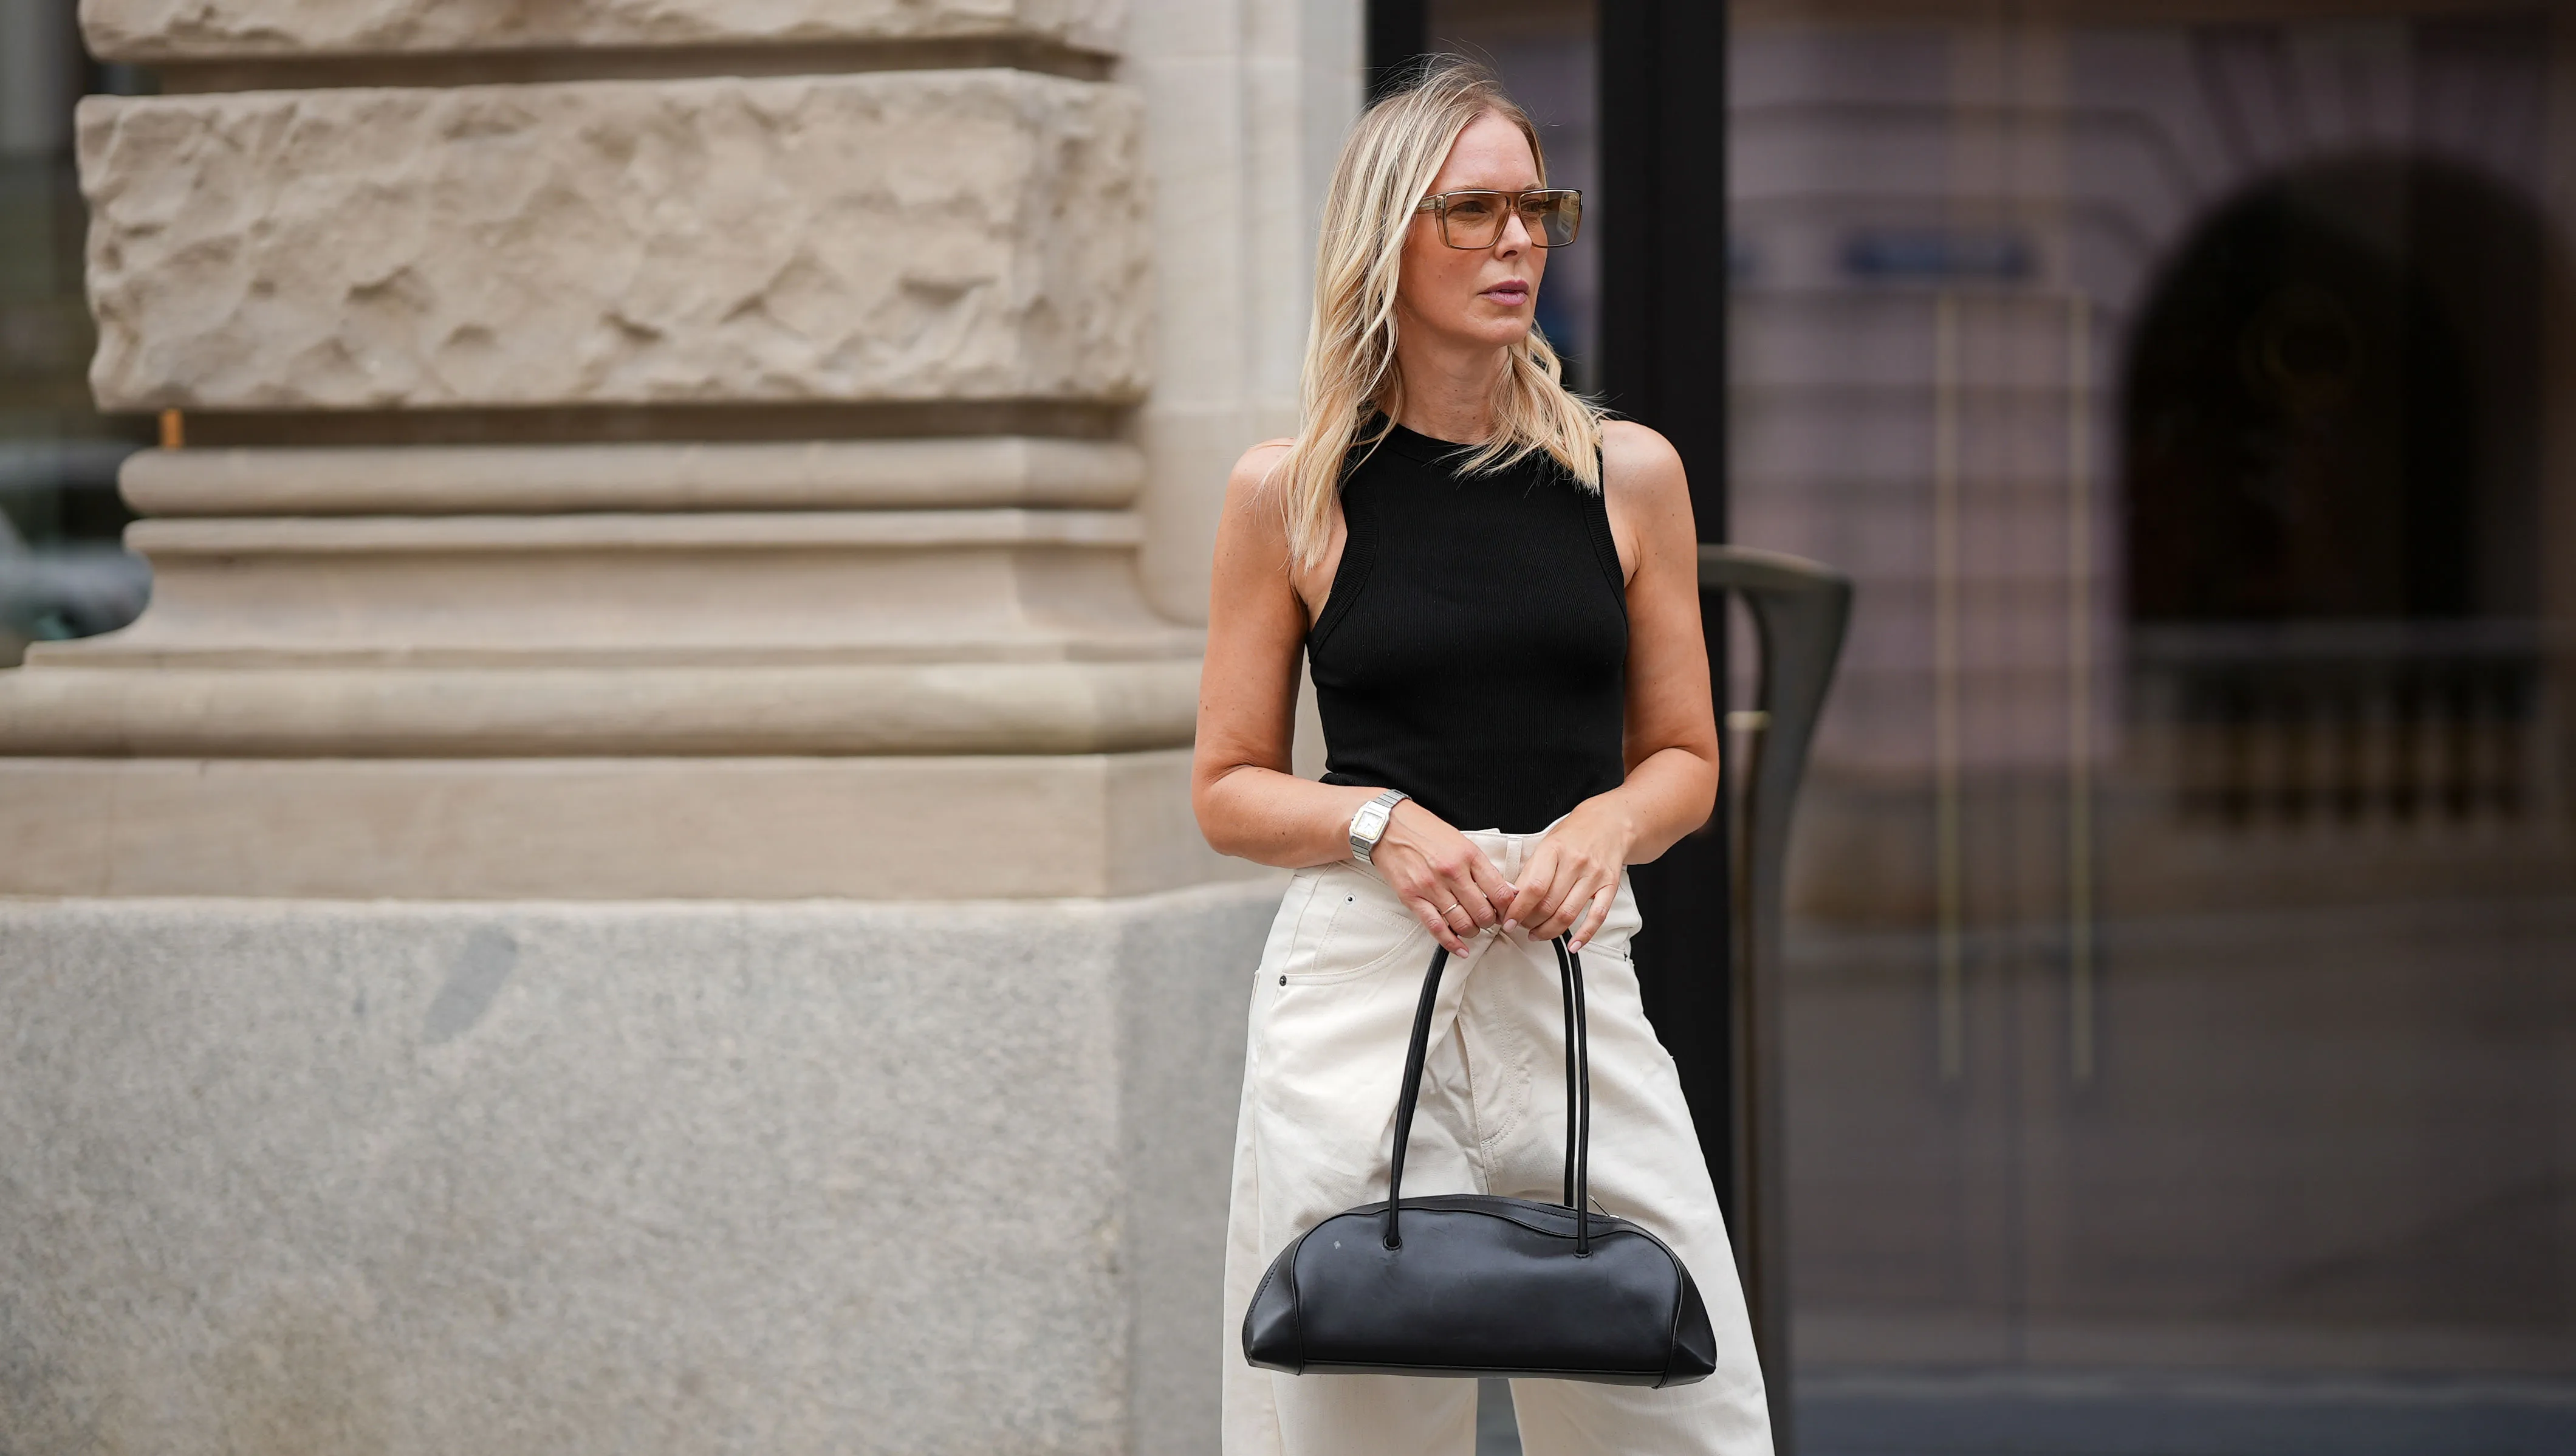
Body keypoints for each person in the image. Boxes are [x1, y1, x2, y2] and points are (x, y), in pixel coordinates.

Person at [1192, 55, 1774, 1456]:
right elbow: (1225, 785)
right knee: (1348, 1421)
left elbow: (1686, 756)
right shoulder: (1289, 493)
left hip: (1568, 979)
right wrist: (1375, 819)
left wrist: (1607, 824)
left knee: (1680, 1416)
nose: (1516, 241)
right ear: (1384, 234)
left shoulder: (1621, 472)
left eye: (1534, 208)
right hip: (1358, 983)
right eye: (1472, 211)